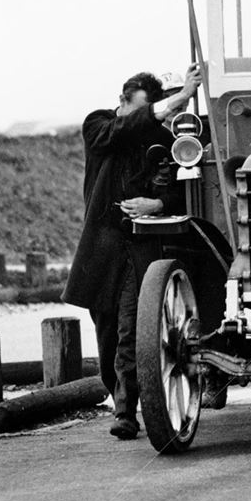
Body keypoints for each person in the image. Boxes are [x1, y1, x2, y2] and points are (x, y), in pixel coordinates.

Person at [62, 64, 202, 439]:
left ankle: (125, 412)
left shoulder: (159, 139)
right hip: (100, 251)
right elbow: (119, 132)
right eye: (133, 107)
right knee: (106, 334)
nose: (134, 113)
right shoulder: (98, 125)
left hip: (137, 248)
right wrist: (181, 97)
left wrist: (155, 205)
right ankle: (117, 394)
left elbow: (173, 187)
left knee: (129, 331)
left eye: (142, 108)